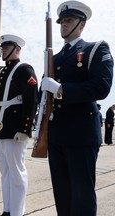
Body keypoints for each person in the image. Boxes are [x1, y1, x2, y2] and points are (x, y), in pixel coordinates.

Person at [41, 1, 113, 215]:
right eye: (62, 21)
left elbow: (101, 87)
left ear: (82, 23)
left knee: (82, 199)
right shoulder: (54, 58)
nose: (64, 25)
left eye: (69, 20)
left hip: (81, 134)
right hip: (56, 135)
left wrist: (62, 89)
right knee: (62, 197)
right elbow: (45, 96)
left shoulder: (96, 48)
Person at [0, 35, 38, 216]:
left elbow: (31, 101)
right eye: (2, 47)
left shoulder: (25, 70)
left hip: (14, 129)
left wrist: (24, 128)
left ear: (17, 49)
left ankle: (17, 212)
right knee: (5, 173)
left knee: (17, 173)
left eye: (6, 47)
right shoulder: (0, 71)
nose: (3, 50)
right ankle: (7, 210)